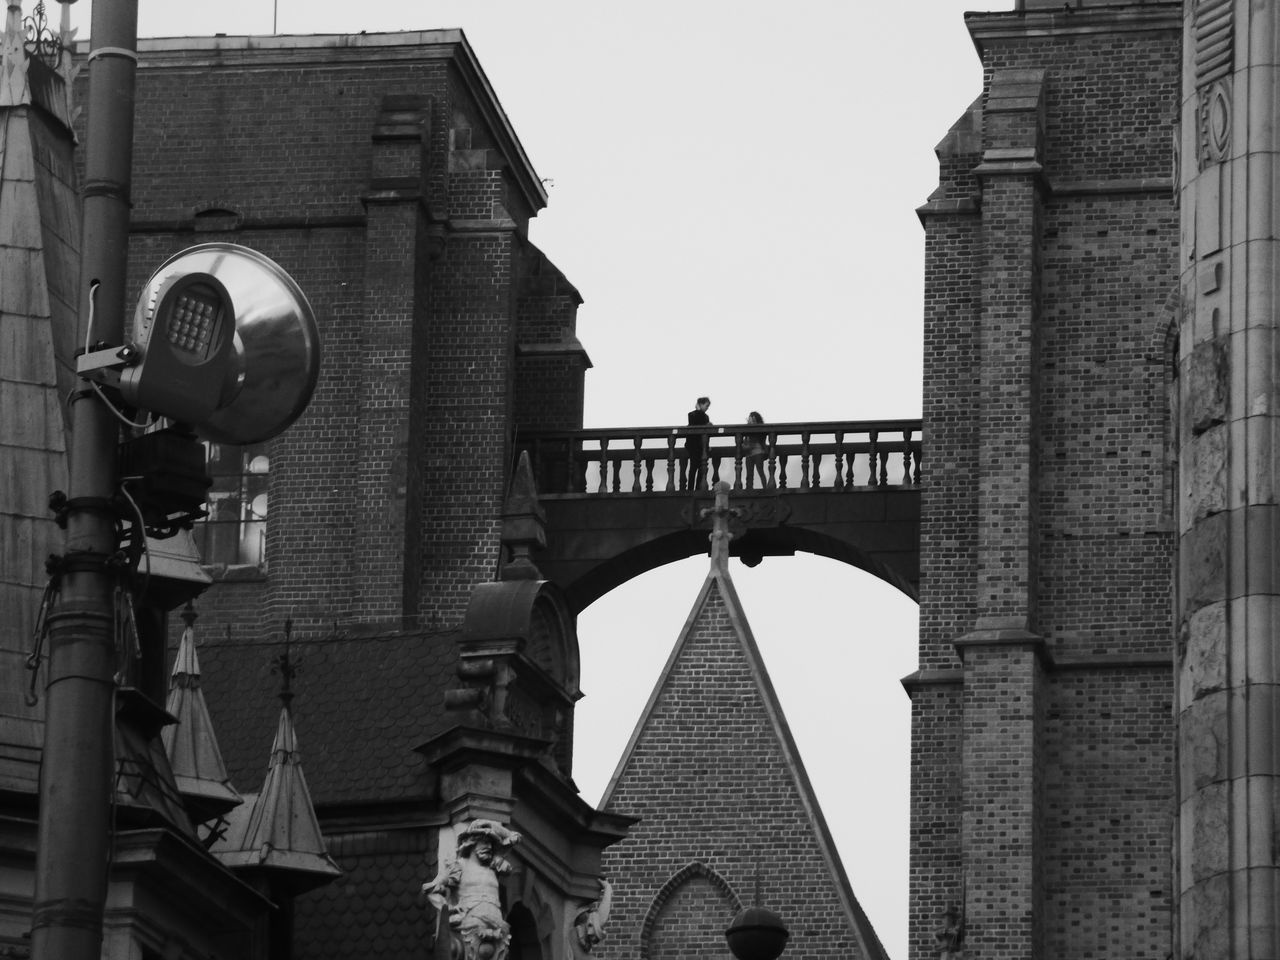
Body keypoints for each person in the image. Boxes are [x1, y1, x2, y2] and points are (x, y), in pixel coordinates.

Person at [422, 819, 522, 960]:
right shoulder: (459, 866)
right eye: (484, 842)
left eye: (491, 843)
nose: (489, 847)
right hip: (472, 922)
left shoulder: (493, 866)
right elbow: (431, 889)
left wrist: (486, 824)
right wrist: (447, 908)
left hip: (497, 925)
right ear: (472, 843)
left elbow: (515, 837)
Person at [684, 396, 711, 490]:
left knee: (701, 468)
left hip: (701, 446)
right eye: (706, 405)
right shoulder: (692, 415)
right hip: (693, 445)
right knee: (694, 467)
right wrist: (699, 411)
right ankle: (691, 488)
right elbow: (695, 423)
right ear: (700, 404)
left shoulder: (705, 416)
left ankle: (697, 488)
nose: (707, 408)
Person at [743, 411, 768, 489]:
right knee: (749, 474)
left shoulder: (759, 428)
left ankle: (765, 488)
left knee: (760, 471)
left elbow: (760, 439)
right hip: (750, 453)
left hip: (757, 452)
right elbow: (745, 440)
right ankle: (749, 489)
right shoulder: (746, 429)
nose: (751, 419)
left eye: (753, 418)